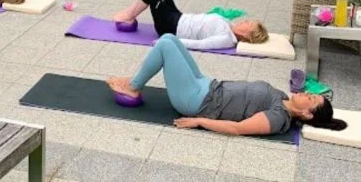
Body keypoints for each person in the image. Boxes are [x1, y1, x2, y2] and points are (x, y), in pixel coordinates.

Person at [107, 34, 347, 136]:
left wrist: (199, 121)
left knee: (165, 46)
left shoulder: (278, 118)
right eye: (313, 94)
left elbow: (238, 128)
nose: (308, 93)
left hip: (197, 101)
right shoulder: (282, 97)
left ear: (306, 114)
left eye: (312, 99)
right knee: (170, 38)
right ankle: (134, 80)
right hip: (207, 85)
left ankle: (134, 86)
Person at [113, 0, 268, 50]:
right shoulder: (229, 25)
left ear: (247, 35)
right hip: (179, 17)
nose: (245, 21)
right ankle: (129, 13)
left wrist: (167, 41)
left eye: (248, 24)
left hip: (171, 27)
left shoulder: (227, 39)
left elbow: (200, 45)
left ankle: (128, 15)